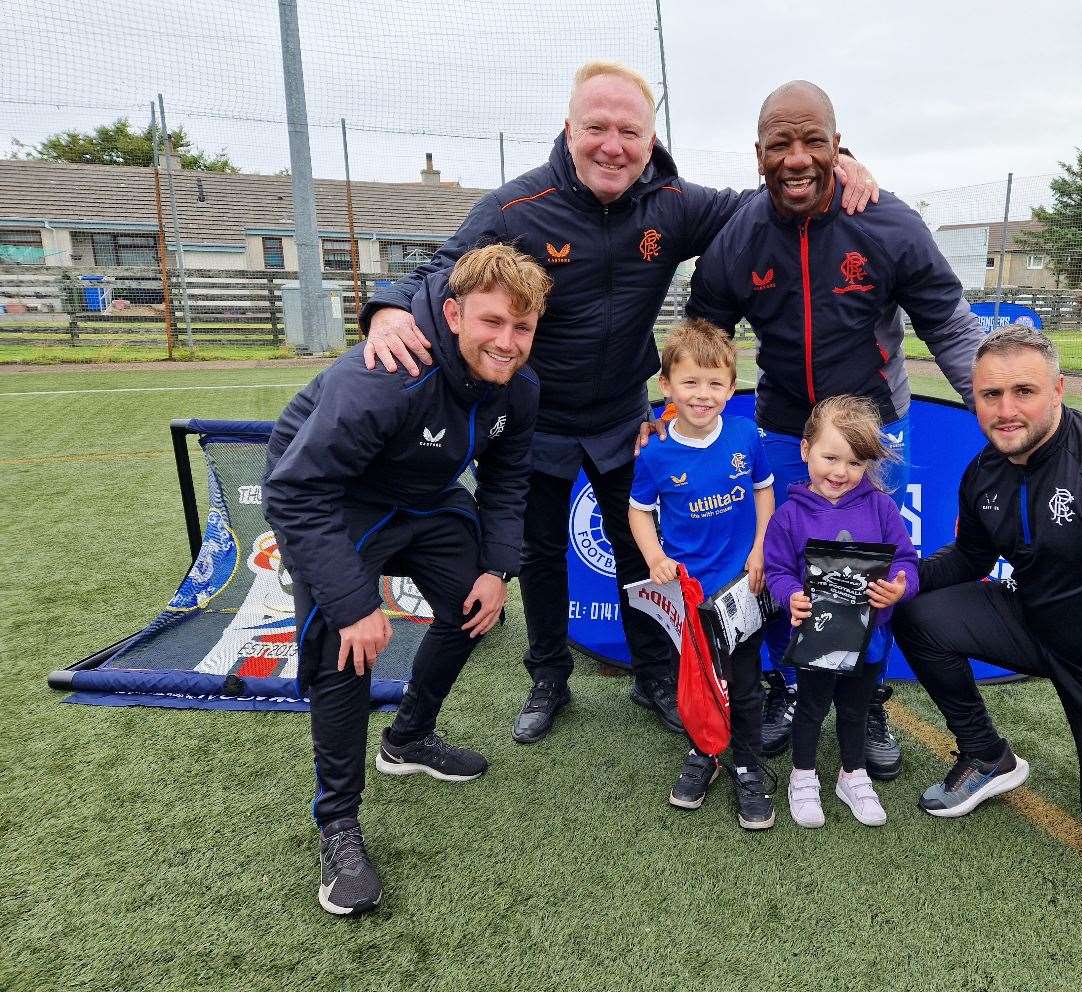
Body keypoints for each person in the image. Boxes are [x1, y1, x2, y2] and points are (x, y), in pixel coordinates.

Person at [357, 62, 880, 746]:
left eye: (627, 131)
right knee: (535, 553)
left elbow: (770, 191)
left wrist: (841, 157)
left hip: (624, 421)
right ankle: (548, 677)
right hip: (530, 420)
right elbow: (444, 266)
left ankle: (655, 675)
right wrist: (387, 309)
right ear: (569, 130)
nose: (612, 145)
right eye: (596, 128)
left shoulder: (674, 202)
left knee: (642, 552)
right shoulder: (517, 206)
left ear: (649, 137)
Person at [682, 80, 985, 779]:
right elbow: (705, 332)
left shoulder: (888, 223)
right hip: (785, 433)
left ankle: (866, 696)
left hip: (876, 429)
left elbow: (947, 322)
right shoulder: (738, 237)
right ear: (756, 155)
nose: (797, 158)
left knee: (866, 568)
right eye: (780, 143)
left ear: (838, 146)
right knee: (789, 568)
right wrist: (670, 417)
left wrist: (997, 414)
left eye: (812, 141)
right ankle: (792, 687)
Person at [263, 244, 552, 915]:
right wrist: (353, 602)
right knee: (346, 644)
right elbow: (295, 489)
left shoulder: (524, 386)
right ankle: (338, 824)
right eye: (491, 323)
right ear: (452, 313)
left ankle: (408, 737)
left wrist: (496, 566)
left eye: (523, 327)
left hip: (424, 494)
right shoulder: (388, 374)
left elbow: (508, 478)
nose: (508, 343)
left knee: (475, 606)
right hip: (335, 498)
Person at [892, 326, 1082, 871]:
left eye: (1024, 392)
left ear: (1058, 389)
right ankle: (986, 755)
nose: (1006, 410)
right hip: (1037, 624)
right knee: (916, 613)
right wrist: (903, 579)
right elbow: (969, 559)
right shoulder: (985, 469)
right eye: (991, 395)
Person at [627, 319, 777, 829]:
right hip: (689, 596)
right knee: (696, 682)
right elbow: (638, 512)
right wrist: (653, 557)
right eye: (690, 382)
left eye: (715, 383)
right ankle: (704, 755)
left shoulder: (743, 435)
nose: (703, 394)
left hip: (742, 589)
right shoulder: (657, 454)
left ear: (731, 387)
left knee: (747, 681)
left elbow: (763, 491)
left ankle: (749, 767)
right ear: (666, 386)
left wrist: (760, 548)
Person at [763, 396, 920, 828]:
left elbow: (906, 561)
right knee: (810, 708)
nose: (839, 472)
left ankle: (853, 775)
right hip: (816, 637)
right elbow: (776, 570)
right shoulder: (789, 516)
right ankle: (804, 776)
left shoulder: (882, 507)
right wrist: (791, 594)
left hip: (870, 638)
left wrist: (900, 588)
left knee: (855, 709)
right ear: (805, 449)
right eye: (830, 457)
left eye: (853, 463)